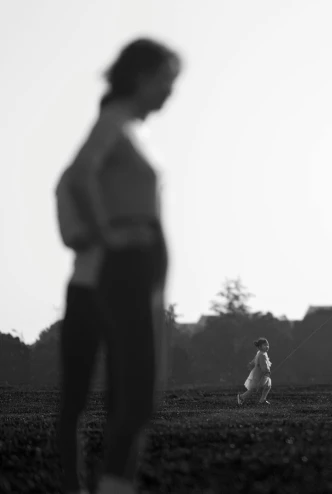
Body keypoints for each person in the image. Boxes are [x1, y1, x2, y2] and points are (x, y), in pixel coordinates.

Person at [54, 37, 181, 494]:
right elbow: (75, 176)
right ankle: (92, 486)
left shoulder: (133, 128)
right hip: (115, 271)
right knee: (126, 393)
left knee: (132, 395)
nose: (171, 92)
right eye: (167, 81)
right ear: (143, 77)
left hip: (136, 271)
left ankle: (111, 483)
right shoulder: (113, 122)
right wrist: (100, 235)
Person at [238, 338, 273, 406]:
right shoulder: (262, 355)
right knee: (254, 389)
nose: (267, 346)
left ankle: (262, 400)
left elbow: (255, 360)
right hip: (260, 375)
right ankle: (241, 397)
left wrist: (252, 364)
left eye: (267, 345)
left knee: (268, 385)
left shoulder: (261, 353)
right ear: (260, 347)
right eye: (265, 345)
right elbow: (263, 365)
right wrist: (267, 371)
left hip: (261, 374)